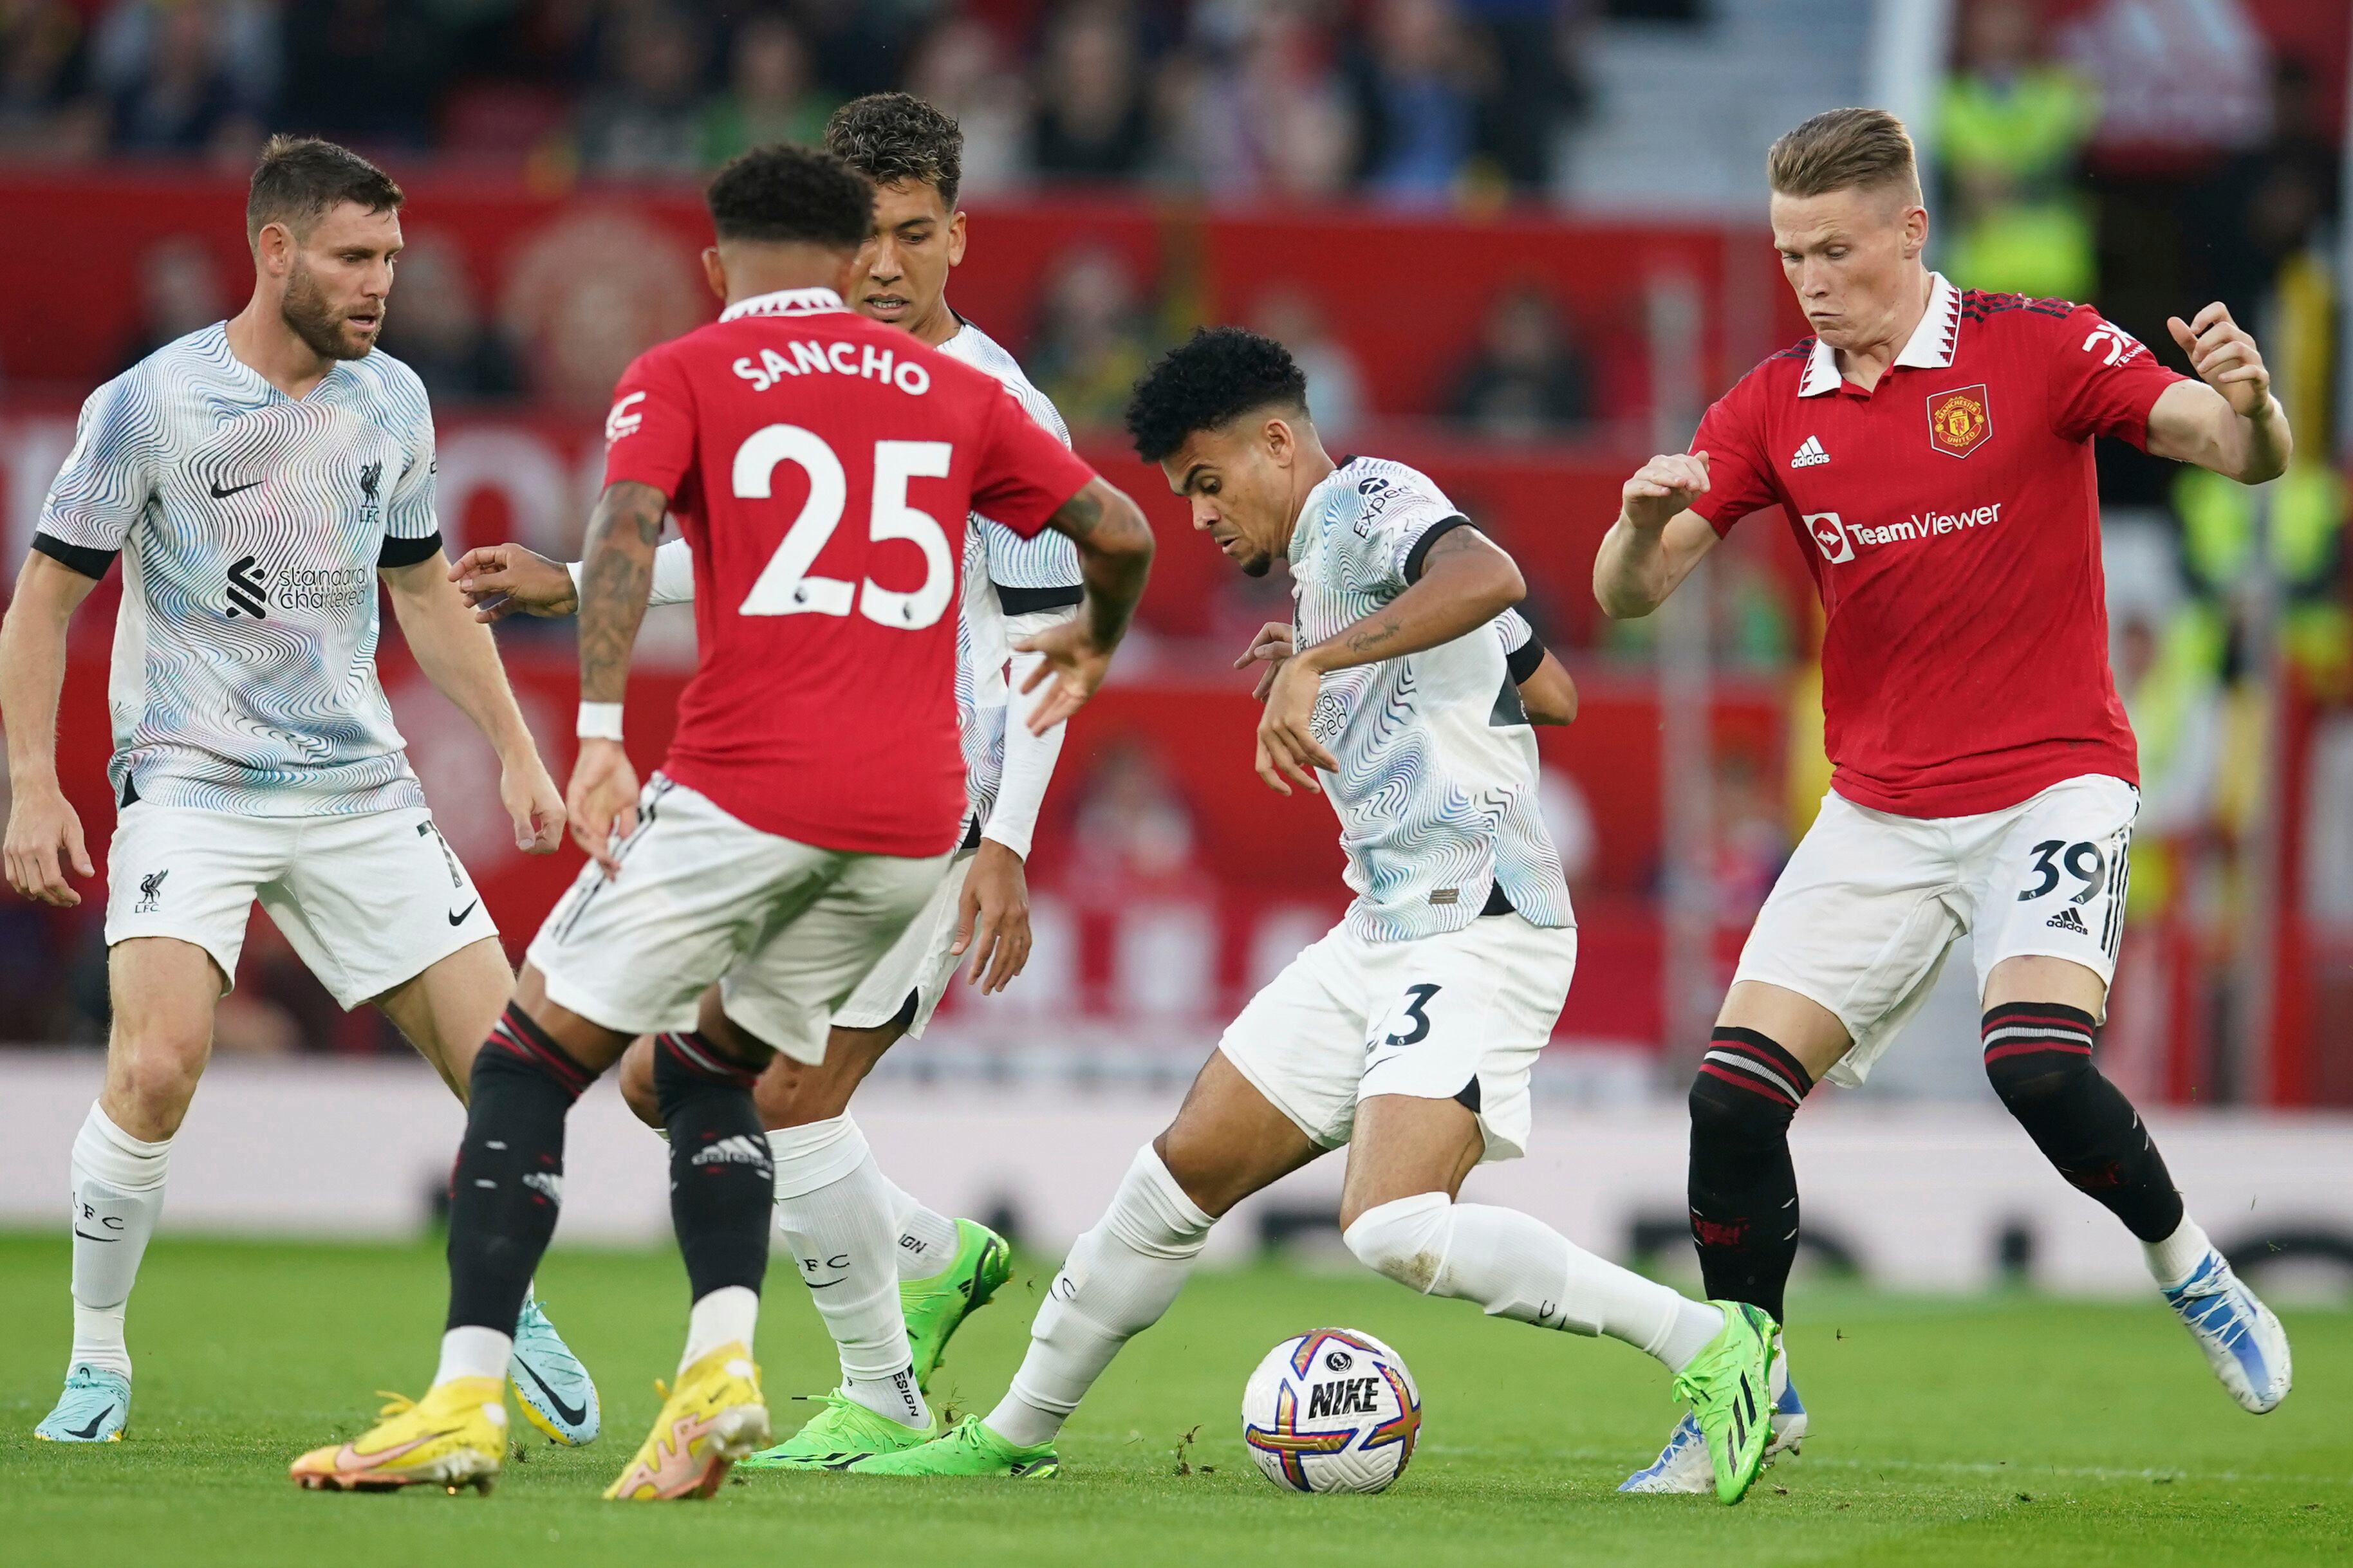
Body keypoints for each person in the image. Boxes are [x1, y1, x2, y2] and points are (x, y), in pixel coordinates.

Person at [289, 143, 1155, 1502]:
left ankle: (471, 1396)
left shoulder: (692, 370)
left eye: (916, 236)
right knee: (697, 1074)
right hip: (909, 812)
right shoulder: (949, 394)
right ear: (841, 255)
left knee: (523, 1061)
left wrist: (592, 737)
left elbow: (640, 528)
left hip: (772, 785)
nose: (888, 264)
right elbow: (1116, 537)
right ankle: (747, 1360)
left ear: (714, 264)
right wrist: (1098, 645)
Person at [848, 327, 1781, 1508]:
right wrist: (1355, 658)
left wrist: (1322, 661)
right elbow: (1549, 687)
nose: (1197, 515)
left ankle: (1714, 1345)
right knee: (1174, 1176)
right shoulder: (1336, 562)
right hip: (1383, 930)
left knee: (1391, 1224)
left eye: (1206, 481)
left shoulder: (1364, 500)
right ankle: (1011, 1430)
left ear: (1278, 442)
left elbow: (1489, 576)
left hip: (1480, 922)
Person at [1594, 108, 2296, 1495]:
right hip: (1879, 814)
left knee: (2033, 1064)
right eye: (1789, 251)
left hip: (2051, 785)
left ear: (1911, 232)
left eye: (1835, 250)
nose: (1808, 278)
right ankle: (1749, 1391)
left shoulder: (2039, 346)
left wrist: (2258, 404)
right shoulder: (1767, 409)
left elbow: (2230, 450)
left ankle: (2193, 1268)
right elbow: (1635, 593)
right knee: (1730, 1102)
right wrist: (1630, 520)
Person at [0, 136, 593, 1448]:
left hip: (357, 790)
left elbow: (426, 590)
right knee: (155, 1067)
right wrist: (32, 785)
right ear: (274, 251)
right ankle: (96, 1357)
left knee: (517, 1076)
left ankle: (506, 1302)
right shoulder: (147, 406)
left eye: (390, 257)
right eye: (353, 257)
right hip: (191, 783)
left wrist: (512, 747)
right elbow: (40, 604)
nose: (381, 283)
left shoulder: (394, 402)